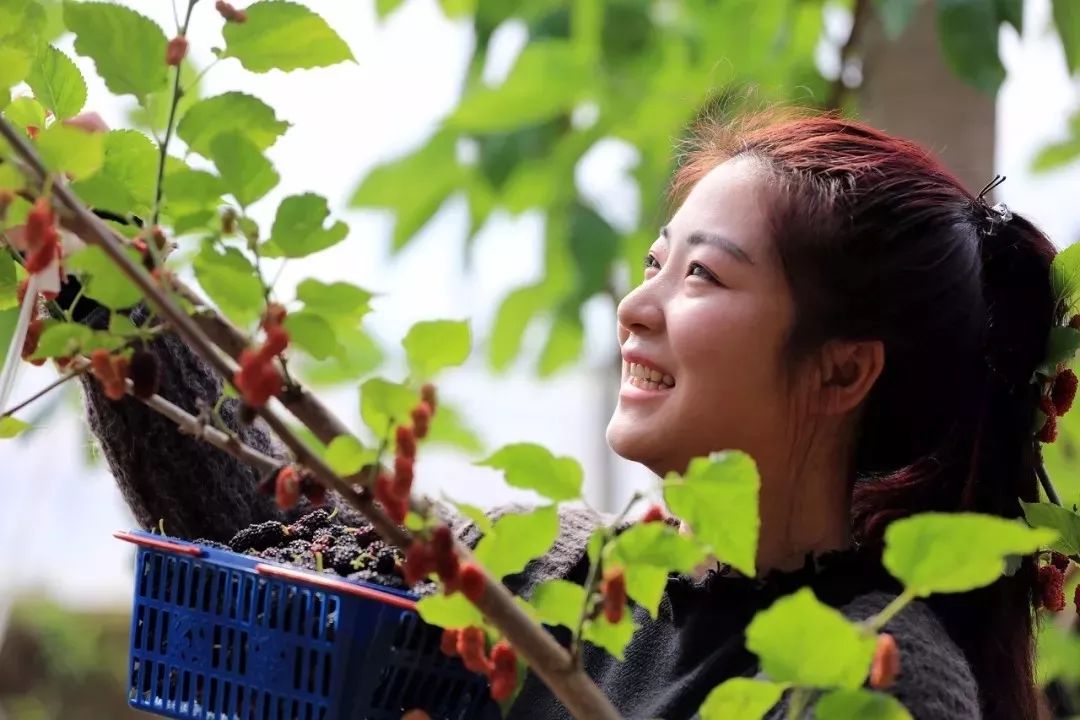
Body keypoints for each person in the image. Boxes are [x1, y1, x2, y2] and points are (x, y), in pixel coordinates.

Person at [62, 112, 1063, 720]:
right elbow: (277, 539)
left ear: (843, 370)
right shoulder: (555, 578)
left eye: (703, 275)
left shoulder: (881, 677)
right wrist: (95, 264)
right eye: (654, 263)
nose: (635, 307)